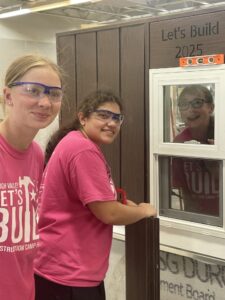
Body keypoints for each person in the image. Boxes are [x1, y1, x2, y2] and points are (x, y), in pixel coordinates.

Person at [34, 90, 157, 300]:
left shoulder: (74, 142)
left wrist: (128, 206)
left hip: (58, 269)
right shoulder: (83, 150)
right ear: (83, 117)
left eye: (117, 118)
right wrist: (144, 211)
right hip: (68, 275)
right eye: (103, 115)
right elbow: (109, 214)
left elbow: (96, 199)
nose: (112, 123)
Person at [0, 54, 64, 300]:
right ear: (8, 96)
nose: (45, 102)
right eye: (33, 90)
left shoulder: (36, 154)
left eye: (54, 93)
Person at [172, 84, 219, 215]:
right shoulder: (179, 142)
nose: (190, 109)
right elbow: (185, 191)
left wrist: (215, 165)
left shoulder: (221, 135)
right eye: (183, 104)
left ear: (211, 107)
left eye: (197, 103)